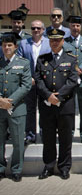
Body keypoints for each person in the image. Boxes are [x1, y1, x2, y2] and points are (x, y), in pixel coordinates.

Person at [35, 28, 78, 180]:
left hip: (65, 105)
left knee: (66, 138)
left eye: (57, 40)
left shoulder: (71, 59)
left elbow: (73, 81)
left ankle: (64, 167)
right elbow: (38, 80)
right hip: (47, 106)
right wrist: (48, 95)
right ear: (49, 41)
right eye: (52, 40)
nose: (54, 43)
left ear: (63, 41)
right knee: (48, 138)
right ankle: (48, 166)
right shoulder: (42, 59)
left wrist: (59, 97)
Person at [0, 32, 31, 182]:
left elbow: (25, 86)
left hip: (17, 108)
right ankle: (0, 168)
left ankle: (16, 169)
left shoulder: (23, 63)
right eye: (4, 45)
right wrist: (1, 101)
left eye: (9, 45)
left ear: (15, 47)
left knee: (18, 141)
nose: (6, 48)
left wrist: (9, 102)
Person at [17, 20, 51, 144]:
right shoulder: (23, 43)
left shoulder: (48, 43)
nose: (36, 30)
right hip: (29, 82)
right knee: (30, 109)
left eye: (38, 28)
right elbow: (20, 61)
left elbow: (52, 62)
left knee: (44, 108)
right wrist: (27, 77)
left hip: (44, 82)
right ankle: (30, 134)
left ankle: (44, 132)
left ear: (43, 30)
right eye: (33, 28)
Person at [64, 15, 82, 144]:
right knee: (69, 108)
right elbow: (62, 58)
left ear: (80, 27)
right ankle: (68, 132)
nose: (75, 28)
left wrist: (80, 69)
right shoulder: (64, 42)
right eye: (73, 25)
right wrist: (72, 71)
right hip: (69, 80)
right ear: (69, 27)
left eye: (77, 25)